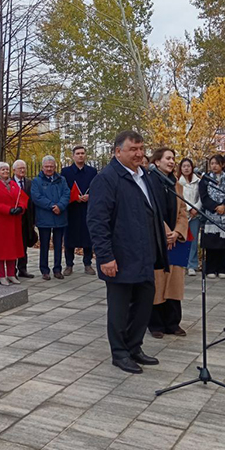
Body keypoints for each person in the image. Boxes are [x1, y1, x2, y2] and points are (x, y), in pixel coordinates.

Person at [87, 130, 167, 374]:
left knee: (144, 305)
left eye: (141, 149)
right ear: (117, 151)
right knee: (120, 308)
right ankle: (120, 353)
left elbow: (151, 213)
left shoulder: (146, 177)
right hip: (120, 257)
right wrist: (105, 257)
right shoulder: (107, 178)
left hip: (145, 254)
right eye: (133, 149)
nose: (139, 154)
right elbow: (97, 221)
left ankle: (135, 347)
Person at [147, 148, 188, 339]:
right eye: (168, 158)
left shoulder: (176, 185)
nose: (172, 162)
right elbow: (150, 211)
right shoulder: (148, 182)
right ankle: (156, 324)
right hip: (156, 239)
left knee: (174, 282)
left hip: (176, 241)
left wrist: (177, 232)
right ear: (156, 162)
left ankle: (173, 323)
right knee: (158, 281)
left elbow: (183, 212)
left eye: (173, 158)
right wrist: (164, 232)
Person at [31, 155, 70, 280]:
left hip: (60, 217)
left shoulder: (62, 180)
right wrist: (52, 206)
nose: (49, 169)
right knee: (44, 245)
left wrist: (60, 206)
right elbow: (36, 197)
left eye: (51, 166)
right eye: (46, 166)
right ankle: (44, 270)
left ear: (55, 167)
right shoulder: (37, 181)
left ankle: (57, 269)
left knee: (58, 245)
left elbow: (66, 194)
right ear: (42, 167)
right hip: (44, 218)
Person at [0, 162, 25, 285]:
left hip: (13, 221)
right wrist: (8, 210)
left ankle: (11, 274)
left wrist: (21, 208)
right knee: (1, 249)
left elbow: (22, 198)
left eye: (7, 169)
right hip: (0, 222)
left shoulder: (13, 185)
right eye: (3, 170)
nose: (5, 172)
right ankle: (2, 275)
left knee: (12, 248)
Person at [62, 146, 98, 276]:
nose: (80, 156)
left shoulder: (92, 171)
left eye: (82, 153)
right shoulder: (66, 172)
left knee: (87, 237)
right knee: (69, 238)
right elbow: (63, 189)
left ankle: (87, 264)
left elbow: (97, 187)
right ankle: (69, 265)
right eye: (78, 153)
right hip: (72, 209)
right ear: (73, 156)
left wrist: (90, 196)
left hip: (87, 208)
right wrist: (74, 197)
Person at [199, 154, 225, 279]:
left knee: (224, 244)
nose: (214, 166)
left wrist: (224, 205)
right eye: (212, 163)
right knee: (211, 243)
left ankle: (223, 268)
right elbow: (204, 197)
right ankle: (210, 268)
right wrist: (215, 206)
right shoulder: (205, 179)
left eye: (216, 163)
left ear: (222, 165)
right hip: (211, 215)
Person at [11, 160, 37, 279]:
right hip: (13, 219)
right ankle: (12, 271)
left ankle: (22, 269)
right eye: (20, 168)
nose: (22, 170)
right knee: (13, 246)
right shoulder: (9, 183)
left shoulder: (29, 183)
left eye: (24, 168)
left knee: (23, 246)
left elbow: (33, 202)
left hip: (26, 219)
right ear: (14, 170)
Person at [178, 158, 202, 276]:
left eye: (188, 166)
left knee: (193, 241)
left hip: (195, 215)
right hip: (183, 215)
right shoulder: (178, 182)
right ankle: (182, 264)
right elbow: (180, 198)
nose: (186, 168)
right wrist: (189, 208)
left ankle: (192, 265)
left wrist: (196, 208)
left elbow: (201, 197)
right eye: (184, 166)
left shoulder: (198, 181)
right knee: (182, 239)